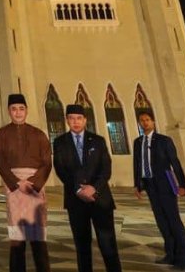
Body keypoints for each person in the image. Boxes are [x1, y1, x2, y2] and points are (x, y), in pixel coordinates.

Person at [52, 104, 122, 272]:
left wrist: (93, 188)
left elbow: (106, 169)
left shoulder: (98, 141)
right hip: (76, 202)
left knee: (108, 245)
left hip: (100, 200)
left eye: (79, 118)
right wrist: (78, 190)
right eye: (71, 118)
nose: (75, 122)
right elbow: (61, 169)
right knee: (82, 246)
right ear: (67, 120)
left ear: (85, 120)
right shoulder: (60, 142)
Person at [0, 94, 52, 272]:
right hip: (14, 189)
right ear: (9, 111)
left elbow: (47, 162)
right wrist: (17, 183)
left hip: (35, 189)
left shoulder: (38, 134)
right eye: (14, 109)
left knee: (38, 237)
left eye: (21, 109)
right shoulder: (1, 134)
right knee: (17, 238)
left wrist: (33, 183)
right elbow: (0, 161)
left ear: (26, 111)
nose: (18, 113)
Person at [133, 110, 185, 271]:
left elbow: (175, 163)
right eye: (142, 120)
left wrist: (182, 185)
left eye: (147, 120)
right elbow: (137, 164)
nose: (145, 123)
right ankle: (170, 254)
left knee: (173, 220)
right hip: (150, 185)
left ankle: (183, 260)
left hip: (167, 183)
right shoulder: (138, 142)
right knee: (162, 221)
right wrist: (137, 185)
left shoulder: (164, 140)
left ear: (153, 122)